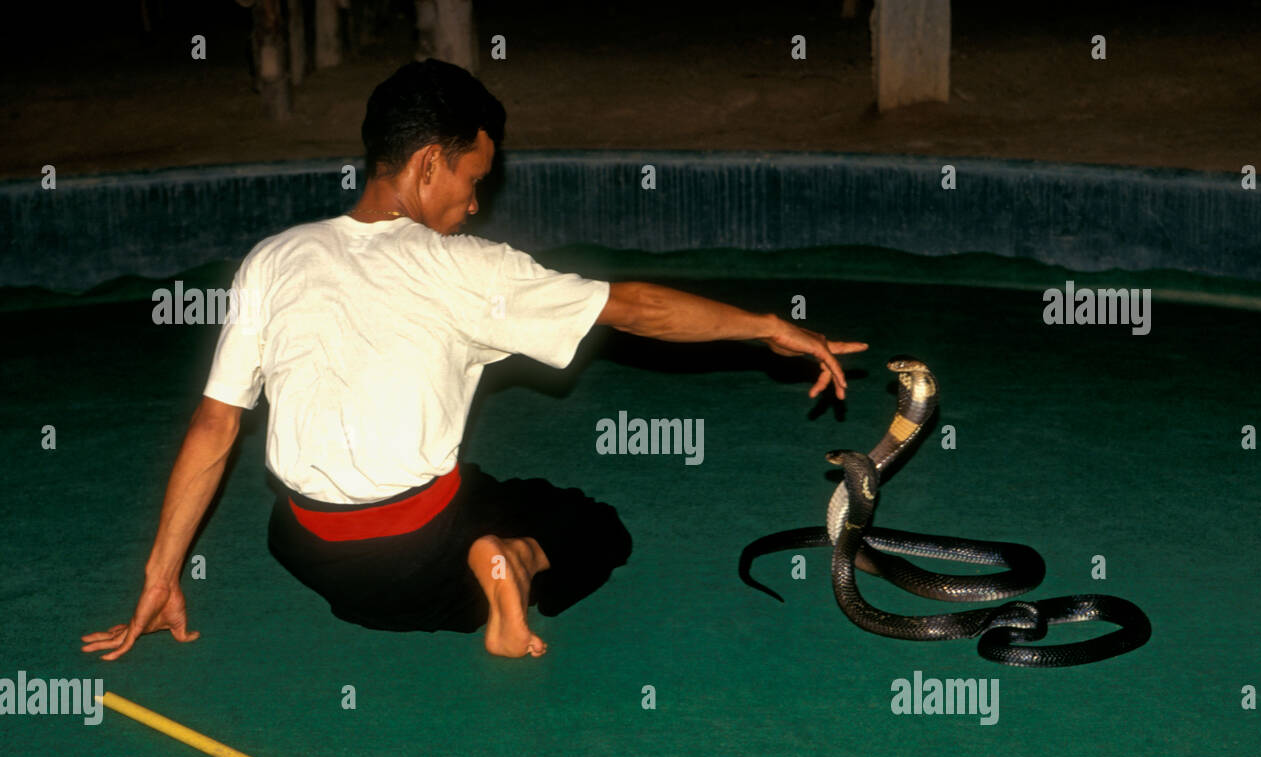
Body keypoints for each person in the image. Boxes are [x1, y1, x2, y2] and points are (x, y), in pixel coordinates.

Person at [80, 59, 867, 663]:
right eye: (471, 178)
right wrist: (769, 327)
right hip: (420, 551)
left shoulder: (273, 258)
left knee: (454, 496)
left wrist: (159, 576)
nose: (474, 204)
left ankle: (479, 549)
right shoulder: (470, 270)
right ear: (427, 163)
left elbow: (216, 424)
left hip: (316, 553)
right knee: (589, 525)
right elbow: (632, 306)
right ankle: (509, 562)